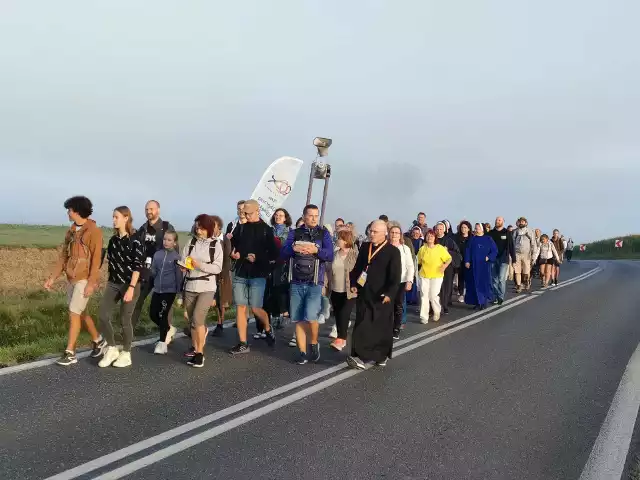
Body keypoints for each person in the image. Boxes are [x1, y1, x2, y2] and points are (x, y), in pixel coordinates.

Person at [44, 196, 105, 366]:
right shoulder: (70, 232)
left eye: (69, 209)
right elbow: (63, 257)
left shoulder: (94, 232)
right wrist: (52, 278)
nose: (68, 213)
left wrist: (91, 283)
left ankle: (70, 352)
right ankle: (99, 341)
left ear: (77, 211)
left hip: (84, 279)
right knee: (80, 312)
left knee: (74, 313)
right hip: (72, 278)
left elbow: (96, 260)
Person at [281, 204, 334, 364]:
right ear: (304, 217)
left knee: (311, 317)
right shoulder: (294, 233)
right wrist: (294, 248)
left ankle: (314, 343)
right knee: (298, 319)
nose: (313, 218)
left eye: (316, 216)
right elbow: (283, 253)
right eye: (310, 215)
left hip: (314, 281)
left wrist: (315, 250)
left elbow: (330, 255)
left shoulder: (323, 234)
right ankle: (302, 352)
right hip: (296, 281)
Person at [347, 220, 401, 369]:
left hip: (382, 296)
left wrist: (390, 293)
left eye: (375, 232)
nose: (371, 234)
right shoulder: (365, 247)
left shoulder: (393, 251)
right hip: (365, 292)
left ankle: (381, 356)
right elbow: (358, 268)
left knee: (380, 328)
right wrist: (353, 284)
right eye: (370, 231)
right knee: (362, 324)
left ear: (384, 233)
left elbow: (395, 276)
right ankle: (359, 356)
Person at [229, 200, 278, 355]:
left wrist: (258, 258)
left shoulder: (266, 230)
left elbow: (274, 254)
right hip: (240, 272)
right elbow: (234, 246)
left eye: (249, 213)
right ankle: (243, 343)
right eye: (244, 214)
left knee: (256, 309)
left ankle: (268, 328)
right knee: (240, 307)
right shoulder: (241, 228)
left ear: (257, 211)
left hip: (258, 273)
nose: (246, 216)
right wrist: (233, 253)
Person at [98, 206, 145, 368]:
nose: (113, 220)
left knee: (125, 319)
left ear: (126, 218)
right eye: (113, 217)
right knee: (103, 315)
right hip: (113, 282)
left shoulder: (135, 240)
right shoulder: (113, 241)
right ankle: (111, 348)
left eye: (116, 217)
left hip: (130, 284)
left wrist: (131, 287)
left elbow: (137, 266)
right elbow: (108, 262)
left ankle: (126, 353)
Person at [180, 214, 223, 367]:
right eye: (197, 227)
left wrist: (200, 266)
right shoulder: (191, 242)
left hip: (207, 286)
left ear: (209, 228)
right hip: (190, 285)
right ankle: (197, 350)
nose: (199, 231)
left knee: (198, 319)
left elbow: (218, 268)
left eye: (202, 228)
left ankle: (199, 353)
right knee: (193, 321)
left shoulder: (215, 245)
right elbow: (184, 259)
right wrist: (184, 266)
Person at [131, 200, 176, 332]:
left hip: (162, 272)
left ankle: (167, 331)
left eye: (151, 209)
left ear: (158, 210)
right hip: (146, 271)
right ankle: (129, 331)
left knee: (164, 304)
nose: (148, 212)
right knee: (137, 300)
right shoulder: (143, 229)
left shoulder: (167, 227)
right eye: (146, 209)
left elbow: (174, 250)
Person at [149, 230, 183, 354]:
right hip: (157, 289)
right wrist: (148, 271)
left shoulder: (176, 258)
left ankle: (162, 344)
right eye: (164, 239)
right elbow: (153, 272)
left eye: (169, 240)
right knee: (153, 314)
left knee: (163, 315)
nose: (166, 242)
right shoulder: (157, 255)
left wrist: (180, 294)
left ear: (174, 243)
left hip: (169, 291)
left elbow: (179, 276)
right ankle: (169, 328)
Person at [327, 229, 358, 351]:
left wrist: (359, 286)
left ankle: (341, 339)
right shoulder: (334, 254)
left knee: (345, 314)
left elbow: (361, 272)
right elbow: (328, 270)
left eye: (339, 238)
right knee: (338, 315)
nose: (337, 240)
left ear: (346, 240)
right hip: (335, 290)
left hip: (350, 291)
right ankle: (342, 338)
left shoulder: (354, 254)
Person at [263, 208, 292, 332]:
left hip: (283, 265)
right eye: (276, 215)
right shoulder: (269, 230)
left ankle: (285, 313)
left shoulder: (290, 232)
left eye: (281, 215)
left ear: (285, 218)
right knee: (271, 291)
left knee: (281, 290)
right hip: (269, 264)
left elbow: (288, 247)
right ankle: (274, 316)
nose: (278, 217)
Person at [416, 229, 452, 323]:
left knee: (433, 295)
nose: (429, 237)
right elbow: (418, 261)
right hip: (424, 275)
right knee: (424, 296)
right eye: (428, 236)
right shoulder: (422, 249)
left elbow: (449, 258)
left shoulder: (440, 248)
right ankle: (424, 317)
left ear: (435, 238)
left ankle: (437, 311)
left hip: (437, 275)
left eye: (431, 236)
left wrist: (444, 266)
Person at [388, 224, 414, 340]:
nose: (394, 235)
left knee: (398, 305)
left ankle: (396, 328)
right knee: (386, 305)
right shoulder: (385, 247)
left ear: (400, 235)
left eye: (397, 233)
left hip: (401, 281)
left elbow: (410, 266)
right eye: (392, 232)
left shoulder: (405, 248)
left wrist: (409, 281)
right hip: (386, 281)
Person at [464, 223, 498, 310]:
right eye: (476, 227)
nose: (477, 229)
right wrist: (467, 261)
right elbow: (468, 250)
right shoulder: (472, 239)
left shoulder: (488, 239)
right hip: (473, 265)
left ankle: (483, 302)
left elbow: (494, 250)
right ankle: (477, 302)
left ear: (483, 229)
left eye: (478, 227)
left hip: (484, 265)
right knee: (474, 283)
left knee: (484, 283)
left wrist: (489, 257)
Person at [210, 215, 233, 337]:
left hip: (221, 273)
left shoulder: (225, 239)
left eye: (213, 225)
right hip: (209, 272)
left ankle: (220, 323)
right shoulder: (208, 238)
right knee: (212, 299)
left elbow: (226, 259)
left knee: (221, 300)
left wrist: (223, 274)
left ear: (219, 227)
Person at [488, 216, 516, 305]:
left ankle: (500, 296)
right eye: (496, 220)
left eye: (499, 220)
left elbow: (511, 246)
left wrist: (514, 260)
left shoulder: (507, 233)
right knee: (494, 279)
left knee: (501, 278)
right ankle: (496, 296)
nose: (497, 221)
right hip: (493, 259)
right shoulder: (491, 233)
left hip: (504, 259)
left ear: (503, 222)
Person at [435, 222, 461, 314]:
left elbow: (457, 253)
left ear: (444, 230)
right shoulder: (432, 240)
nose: (439, 231)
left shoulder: (449, 240)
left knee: (447, 286)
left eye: (441, 229)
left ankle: (445, 305)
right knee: (437, 287)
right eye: (437, 229)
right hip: (435, 267)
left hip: (447, 267)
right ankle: (436, 306)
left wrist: (447, 251)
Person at [512, 217, 535, 293]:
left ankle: (526, 281)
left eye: (523, 221)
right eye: (520, 221)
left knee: (526, 271)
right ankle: (518, 286)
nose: (521, 223)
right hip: (517, 253)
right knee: (517, 271)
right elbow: (512, 243)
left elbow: (533, 244)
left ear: (525, 223)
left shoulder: (530, 231)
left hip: (526, 254)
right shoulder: (516, 231)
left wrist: (533, 256)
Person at [454, 221, 473, 303]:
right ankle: (461, 294)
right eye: (462, 227)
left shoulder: (472, 238)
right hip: (460, 260)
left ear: (468, 229)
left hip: (469, 261)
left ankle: (469, 294)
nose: (463, 229)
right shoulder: (457, 238)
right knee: (461, 278)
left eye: (465, 227)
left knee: (469, 279)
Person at [405, 226, 424, 306]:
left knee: (416, 281)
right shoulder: (409, 241)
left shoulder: (422, 242)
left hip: (418, 263)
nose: (415, 234)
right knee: (409, 279)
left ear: (420, 234)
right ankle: (408, 299)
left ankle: (414, 299)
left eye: (417, 233)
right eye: (414, 233)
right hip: (410, 261)